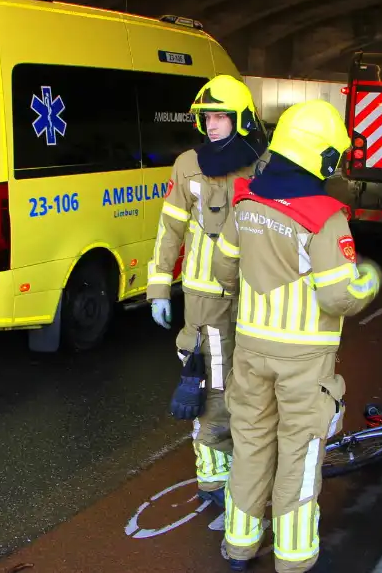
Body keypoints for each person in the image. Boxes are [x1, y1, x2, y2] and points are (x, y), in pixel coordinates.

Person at [212, 100, 381, 572]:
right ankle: (293, 555)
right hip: (303, 359)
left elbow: (224, 267)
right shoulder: (325, 216)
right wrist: (367, 279)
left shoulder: (246, 202)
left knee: (249, 443)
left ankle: (240, 543)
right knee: (300, 454)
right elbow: (338, 297)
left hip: (251, 350)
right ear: (322, 157)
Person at [146, 75, 266, 507]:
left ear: (242, 120)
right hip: (202, 294)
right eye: (207, 118)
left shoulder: (261, 163)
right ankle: (213, 478)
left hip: (253, 291)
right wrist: (160, 286)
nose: (211, 125)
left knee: (249, 382)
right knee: (210, 382)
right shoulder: (186, 165)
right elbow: (170, 230)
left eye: (220, 117)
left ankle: (242, 462)